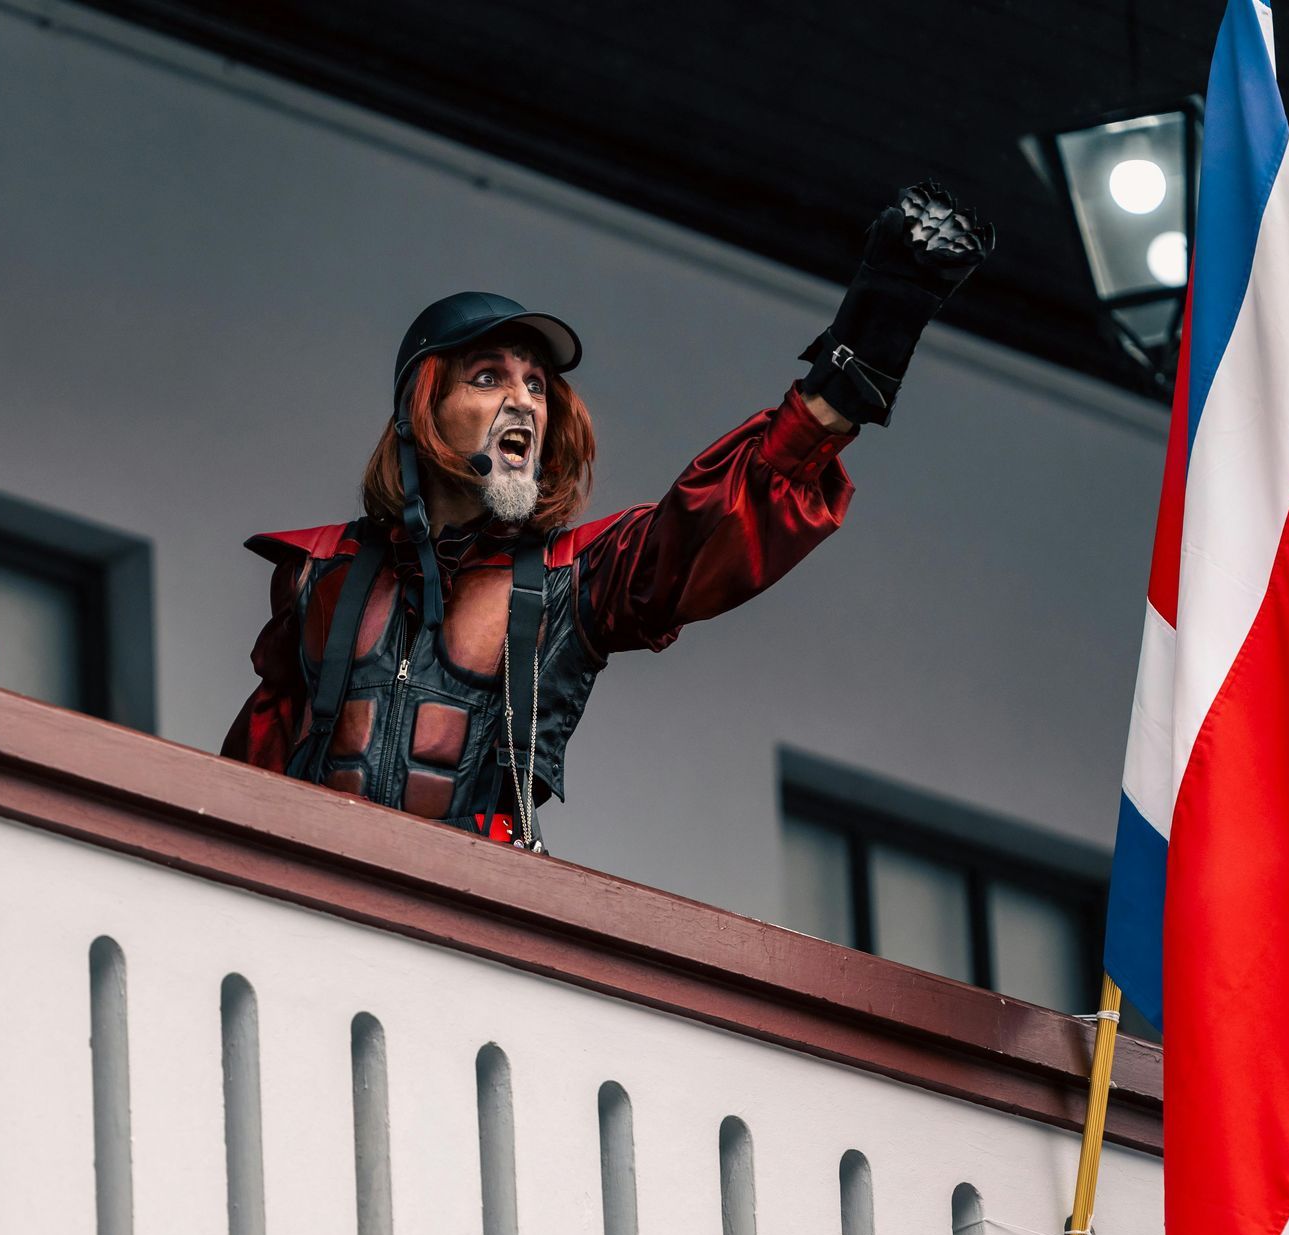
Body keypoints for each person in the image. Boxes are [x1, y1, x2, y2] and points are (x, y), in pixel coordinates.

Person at [222, 183, 991, 850]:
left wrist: (870, 338)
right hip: (316, 915)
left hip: (469, 923)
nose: (523, 400)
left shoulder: (575, 579)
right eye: (488, 377)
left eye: (536, 385)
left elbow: (716, 520)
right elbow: (248, 778)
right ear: (422, 410)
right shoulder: (317, 573)